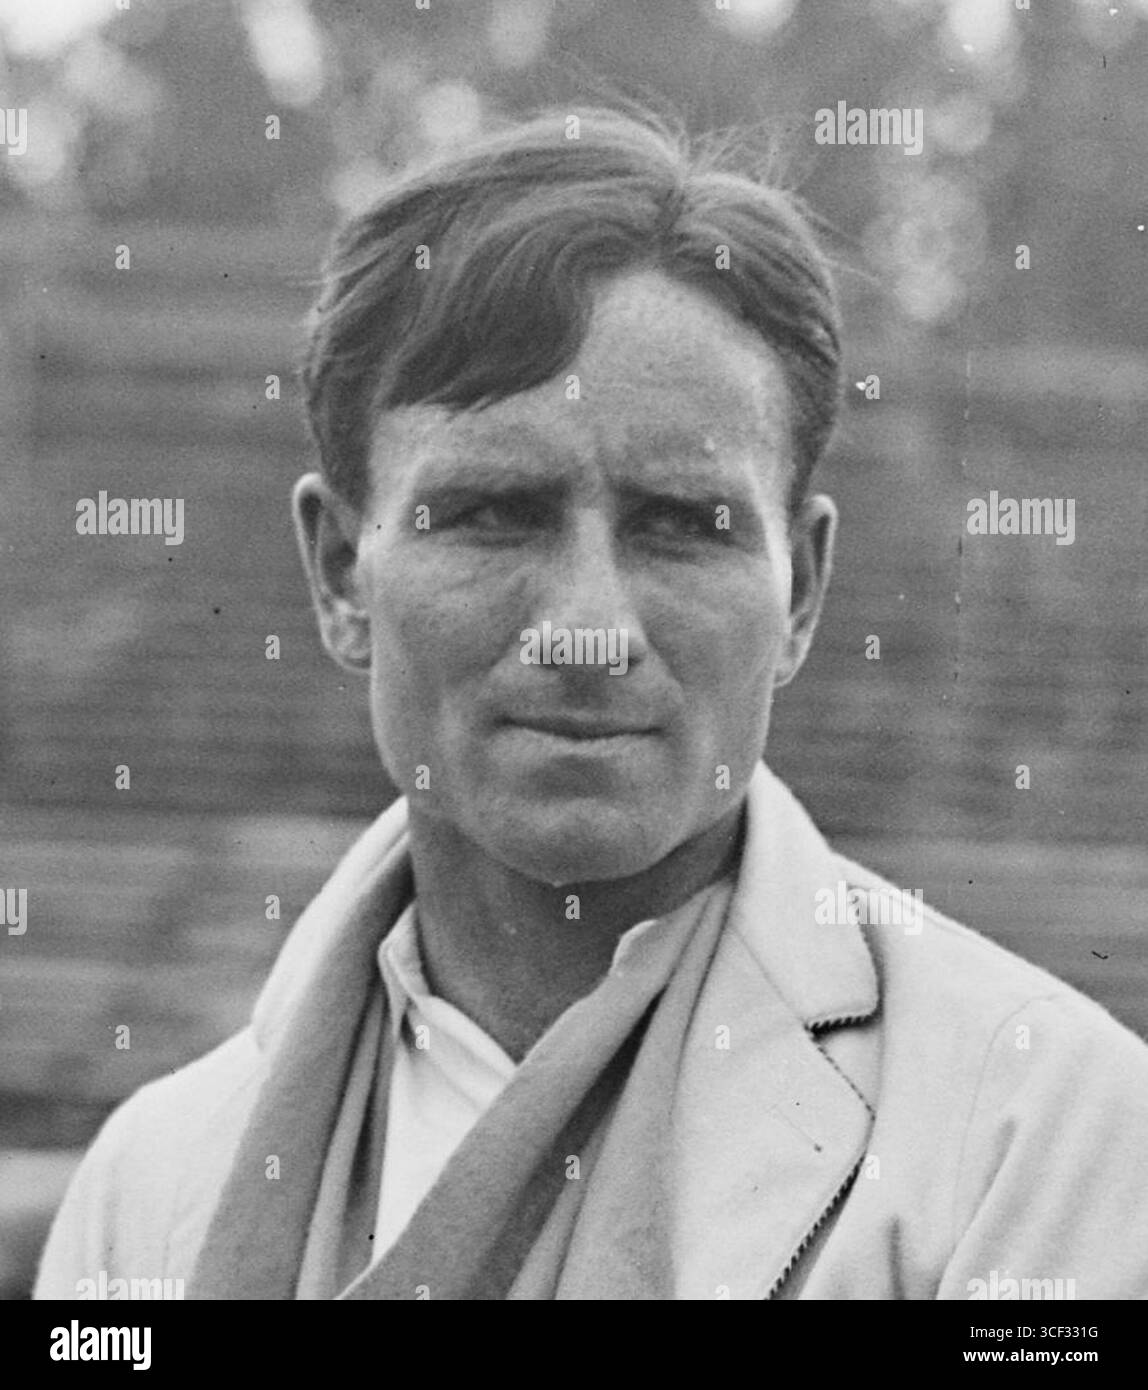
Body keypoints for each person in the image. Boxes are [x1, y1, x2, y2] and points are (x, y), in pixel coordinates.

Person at [35, 107, 1148, 1301]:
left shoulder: (1037, 1137)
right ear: (338, 573)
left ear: (807, 590)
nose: (587, 631)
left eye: (680, 526)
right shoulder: (147, 1197)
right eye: (491, 513)